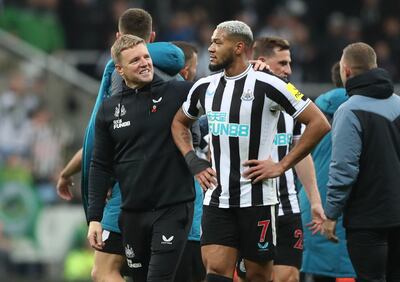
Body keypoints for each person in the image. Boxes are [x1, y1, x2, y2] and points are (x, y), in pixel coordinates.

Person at [171, 20, 331, 282]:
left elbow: (319, 123)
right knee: (216, 273)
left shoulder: (270, 84)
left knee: (258, 276)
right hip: (218, 200)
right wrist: (193, 161)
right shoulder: (204, 87)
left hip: (258, 201)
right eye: (210, 41)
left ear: (238, 47)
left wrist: (282, 165)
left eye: (217, 42)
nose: (210, 48)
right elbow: (179, 122)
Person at [56, 8, 185, 282]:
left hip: (130, 192)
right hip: (175, 196)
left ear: (118, 38)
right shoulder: (182, 81)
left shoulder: (116, 77)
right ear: (153, 35)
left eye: (144, 56)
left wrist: (88, 186)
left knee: (104, 271)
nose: (143, 63)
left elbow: (102, 144)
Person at [87, 34, 195, 282]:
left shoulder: (178, 92)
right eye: (135, 60)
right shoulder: (109, 109)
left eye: (146, 57)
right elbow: (100, 164)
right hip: (132, 214)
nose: (145, 63)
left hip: (173, 207)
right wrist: (95, 218)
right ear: (120, 69)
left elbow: (222, 89)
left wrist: (254, 70)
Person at [236, 36, 325, 282]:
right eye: (283, 63)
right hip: (250, 204)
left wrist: (315, 200)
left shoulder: (294, 103)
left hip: (287, 205)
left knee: (288, 277)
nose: (289, 70)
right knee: (257, 276)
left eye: (290, 63)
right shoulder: (238, 94)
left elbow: (300, 154)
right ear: (262, 61)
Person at [322, 42, 400, 281]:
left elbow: (344, 169)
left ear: (345, 71)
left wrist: (331, 213)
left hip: (367, 220)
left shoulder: (349, 111)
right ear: (375, 67)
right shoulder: (398, 104)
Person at [299, 62, 355, 282]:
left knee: (306, 268)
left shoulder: (311, 111)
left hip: (312, 200)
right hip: (347, 205)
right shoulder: (366, 111)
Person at [172, 41, 207, 282]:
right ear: (185, 71)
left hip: (161, 222)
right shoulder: (186, 101)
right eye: (194, 67)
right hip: (190, 227)